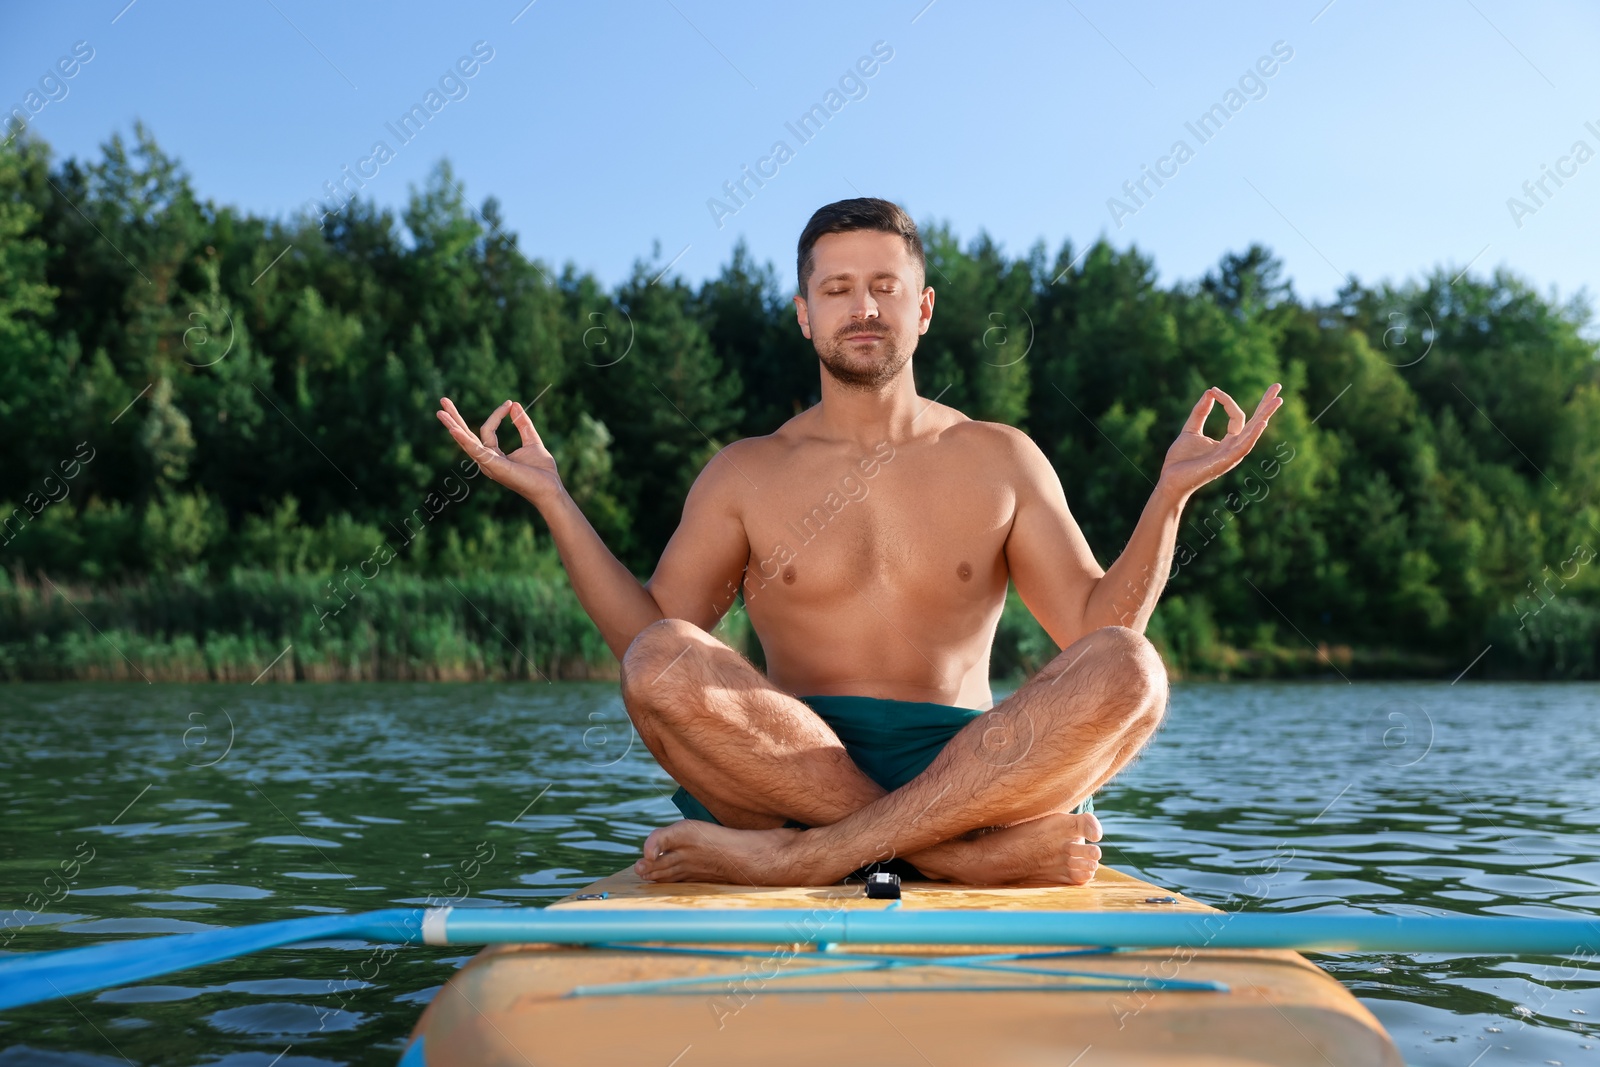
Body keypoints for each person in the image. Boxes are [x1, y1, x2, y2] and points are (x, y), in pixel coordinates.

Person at [435, 197, 1282, 887]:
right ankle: (954, 858)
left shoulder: (1001, 457)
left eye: (884, 285)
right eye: (837, 289)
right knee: (660, 657)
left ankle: (810, 857)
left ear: (923, 308)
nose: (863, 307)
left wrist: (1171, 494)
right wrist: (553, 498)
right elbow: (650, 641)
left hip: (970, 767)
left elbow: (1098, 626)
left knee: (1134, 669)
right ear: (805, 315)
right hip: (781, 764)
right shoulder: (747, 471)